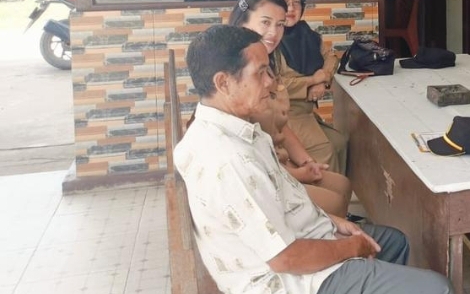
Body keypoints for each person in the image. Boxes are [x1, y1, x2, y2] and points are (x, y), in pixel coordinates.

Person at [176, 25, 450, 294]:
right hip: (291, 281)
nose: (270, 82)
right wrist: (349, 248)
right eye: (260, 73)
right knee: (438, 287)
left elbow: (282, 200)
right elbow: (286, 259)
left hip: (302, 239)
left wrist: (332, 221)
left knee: (395, 242)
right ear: (223, 83)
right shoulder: (228, 160)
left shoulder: (237, 128)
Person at [229, 0, 352, 218]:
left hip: (281, 152)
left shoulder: (271, 56)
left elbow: (280, 126)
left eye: (280, 24)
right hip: (266, 173)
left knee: (342, 179)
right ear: (243, 21)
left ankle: (335, 223)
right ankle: (332, 227)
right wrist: (300, 172)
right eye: (265, 22)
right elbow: (254, 159)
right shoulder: (239, 72)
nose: (274, 32)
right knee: (334, 194)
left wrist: (305, 161)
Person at [266, 0, 347, 174]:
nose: (291, 8)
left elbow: (331, 58)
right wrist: (312, 81)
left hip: (307, 112)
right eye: (284, 2)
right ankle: (324, 192)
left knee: (340, 143)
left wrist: (323, 81)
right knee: (325, 152)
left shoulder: (307, 34)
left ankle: (342, 189)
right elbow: (276, 84)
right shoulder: (271, 39)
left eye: (297, 2)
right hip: (286, 115)